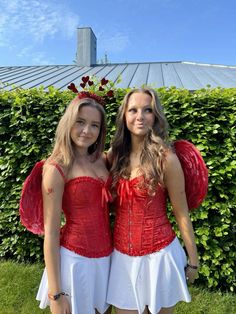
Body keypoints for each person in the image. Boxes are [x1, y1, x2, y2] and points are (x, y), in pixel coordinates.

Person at [106, 87, 200, 314]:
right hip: (122, 258)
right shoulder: (114, 155)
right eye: (133, 110)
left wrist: (193, 261)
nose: (140, 116)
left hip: (159, 256)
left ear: (156, 116)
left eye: (147, 110)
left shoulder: (166, 159)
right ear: (124, 116)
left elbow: (181, 213)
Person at [35, 93, 113, 314]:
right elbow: (50, 233)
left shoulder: (103, 159)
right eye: (80, 122)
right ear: (68, 122)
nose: (87, 131)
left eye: (94, 125)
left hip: (107, 257)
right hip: (75, 261)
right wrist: (56, 293)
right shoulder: (56, 167)